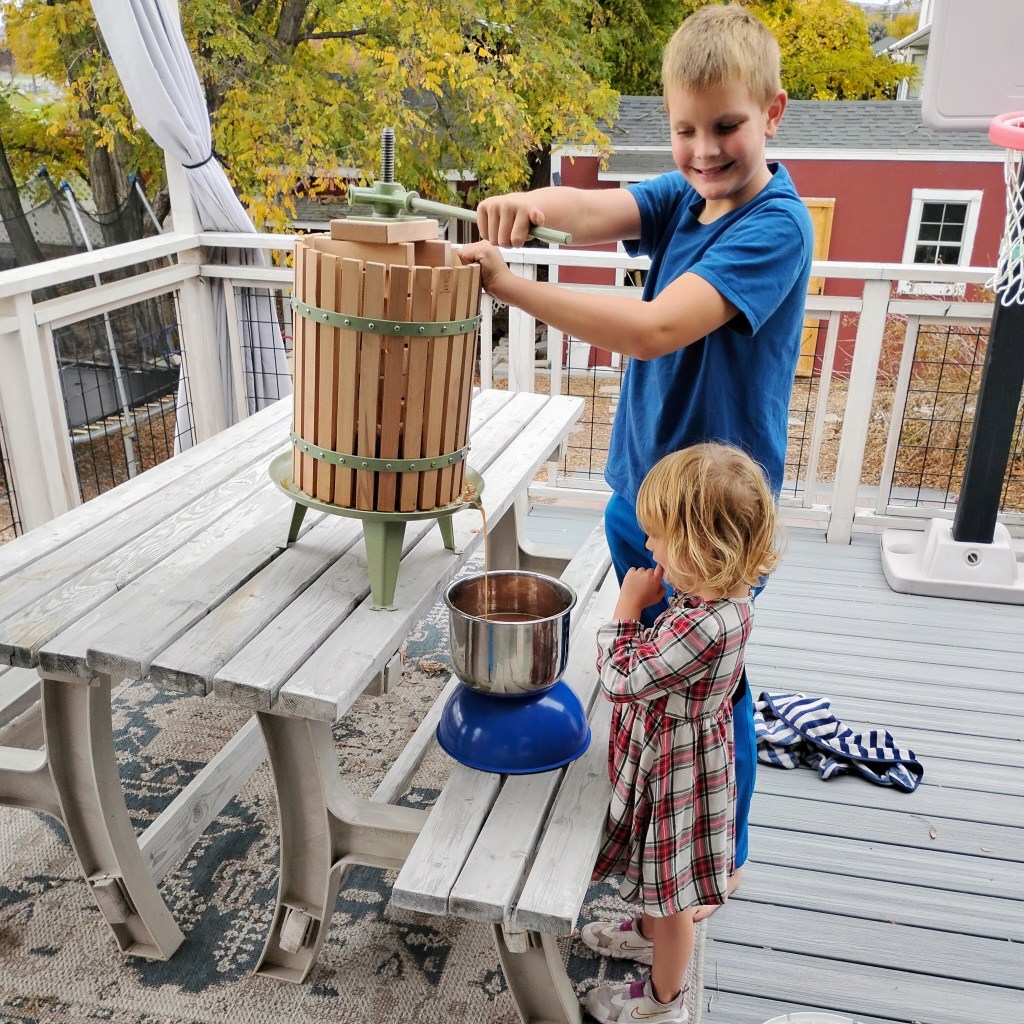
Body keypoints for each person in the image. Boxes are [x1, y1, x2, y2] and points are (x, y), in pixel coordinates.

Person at [459, 2, 813, 922]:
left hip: (715, 519)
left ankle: (713, 866)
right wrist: (532, 207)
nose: (704, 149)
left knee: (709, 687)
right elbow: (591, 208)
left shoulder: (775, 225)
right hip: (642, 493)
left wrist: (510, 284)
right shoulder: (684, 197)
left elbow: (655, 329)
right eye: (686, 130)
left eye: (726, 126)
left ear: (773, 114)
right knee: (662, 680)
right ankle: (655, 822)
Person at [582, 443, 780, 1024]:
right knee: (657, 873)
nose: (648, 547)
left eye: (659, 537)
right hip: (680, 758)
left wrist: (625, 610)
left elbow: (621, 680)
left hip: (678, 776)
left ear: (702, 548)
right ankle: (647, 934)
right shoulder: (721, 601)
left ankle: (663, 1001)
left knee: (672, 897)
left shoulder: (703, 626)